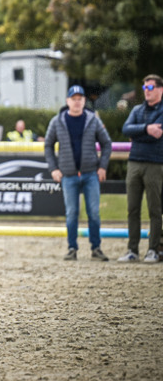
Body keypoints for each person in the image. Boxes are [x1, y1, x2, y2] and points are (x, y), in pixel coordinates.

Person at [44, 85, 112, 261]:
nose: (77, 102)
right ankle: (72, 248)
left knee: (94, 213)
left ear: (84, 101)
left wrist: (103, 166)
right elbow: (48, 146)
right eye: (73, 99)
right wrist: (54, 169)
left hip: (90, 174)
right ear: (67, 101)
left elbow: (107, 143)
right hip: (68, 174)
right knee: (71, 213)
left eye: (80, 99)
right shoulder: (57, 121)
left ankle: (96, 248)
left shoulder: (93, 120)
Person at [118, 74, 163, 263]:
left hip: (155, 164)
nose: (147, 92)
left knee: (155, 209)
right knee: (132, 209)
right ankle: (132, 249)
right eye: (145, 88)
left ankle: (153, 249)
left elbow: (158, 133)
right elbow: (126, 129)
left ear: (160, 89)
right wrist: (146, 130)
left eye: (150, 88)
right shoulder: (137, 109)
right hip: (134, 162)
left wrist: (138, 133)